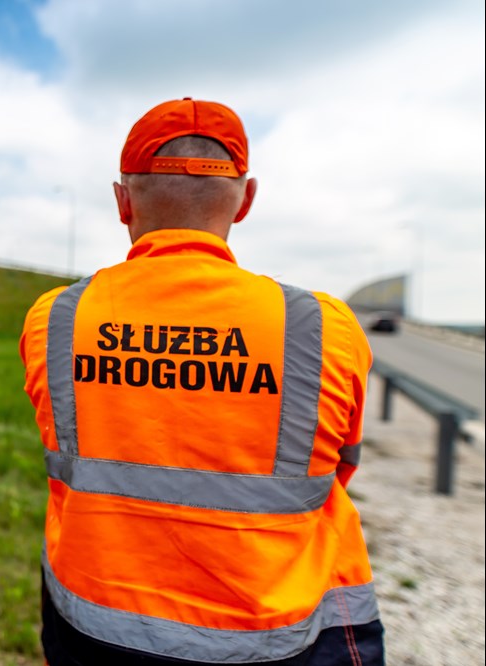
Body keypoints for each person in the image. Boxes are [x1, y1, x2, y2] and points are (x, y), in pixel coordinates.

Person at [19, 98, 384, 665]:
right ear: (246, 200)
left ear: (122, 201)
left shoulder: (56, 319)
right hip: (281, 638)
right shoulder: (323, 329)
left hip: (92, 629)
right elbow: (340, 468)